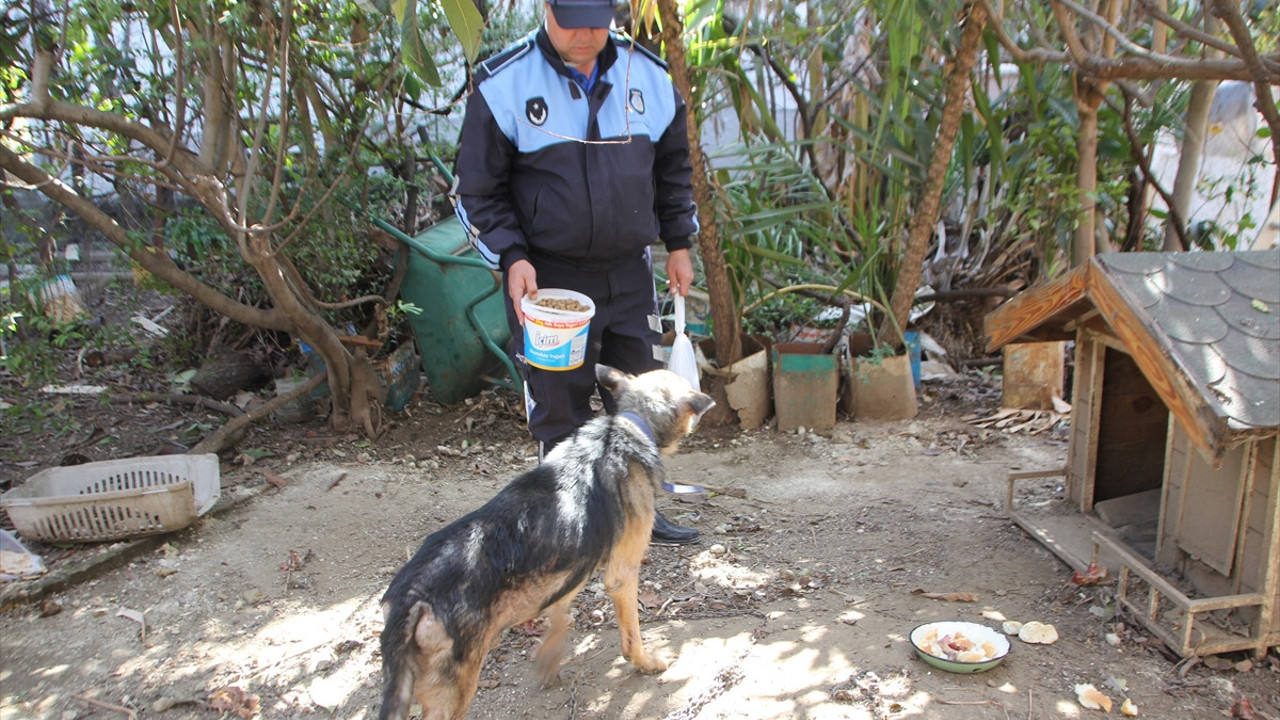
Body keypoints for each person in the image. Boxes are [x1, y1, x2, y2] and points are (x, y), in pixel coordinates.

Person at [452, 0, 701, 543]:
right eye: (572, 19)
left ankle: (640, 515)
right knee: (558, 402)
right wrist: (511, 257)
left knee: (638, 400)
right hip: (548, 283)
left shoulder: (650, 77)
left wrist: (679, 242)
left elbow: (674, 170)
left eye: (597, 18)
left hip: (631, 275)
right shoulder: (504, 84)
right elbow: (474, 192)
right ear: (547, 7)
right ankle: (568, 526)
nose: (586, 34)